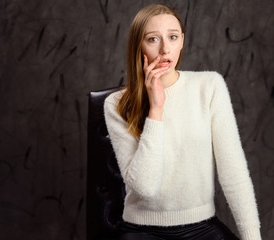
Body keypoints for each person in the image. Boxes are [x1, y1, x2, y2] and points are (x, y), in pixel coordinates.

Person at [103, 3, 262, 240]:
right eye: (153, 39)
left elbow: (234, 173)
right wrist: (156, 108)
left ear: (182, 41)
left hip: (201, 227)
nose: (165, 49)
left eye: (173, 37)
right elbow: (144, 187)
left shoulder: (209, 86)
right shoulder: (116, 104)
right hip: (141, 231)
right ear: (139, 45)